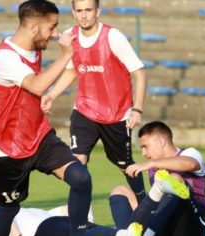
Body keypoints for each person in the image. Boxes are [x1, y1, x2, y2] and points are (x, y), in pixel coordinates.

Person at [0, 0, 108, 236]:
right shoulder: (5, 57)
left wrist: (71, 59)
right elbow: (36, 85)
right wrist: (65, 54)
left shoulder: (33, 47)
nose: (54, 33)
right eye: (51, 27)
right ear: (33, 26)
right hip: (7, 149)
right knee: (8, 206)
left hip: (39, 137)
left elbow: (58, 77)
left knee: (81, 178)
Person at [41, 0, 148, 202]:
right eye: (79, 11)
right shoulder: (70, 37)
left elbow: (140, 73)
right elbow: (72, 70)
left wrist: (137, 109)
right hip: (85, 110)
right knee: (77, 163)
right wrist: (51, 95)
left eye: (88, 10)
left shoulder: (113, 37)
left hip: (116, 115)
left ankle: (145, 202)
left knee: (125, 164)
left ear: (97, 11)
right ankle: (83, 217)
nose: (84, 15)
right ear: (73, 13)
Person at [111, 121, 205, 236]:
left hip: (192, 228)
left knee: (173, 179)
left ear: (161, 142)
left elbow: (190, 164)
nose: (143, 153)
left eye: (145, 146)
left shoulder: (190, 153)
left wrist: (152, 164)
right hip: (163, 226)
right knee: (120, 190)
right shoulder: (153, 167)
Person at [0, 195, 147, 236]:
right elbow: (69, 209)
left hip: (45, 229)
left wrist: (15, 234)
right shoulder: (28, 214)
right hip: (50, 226)